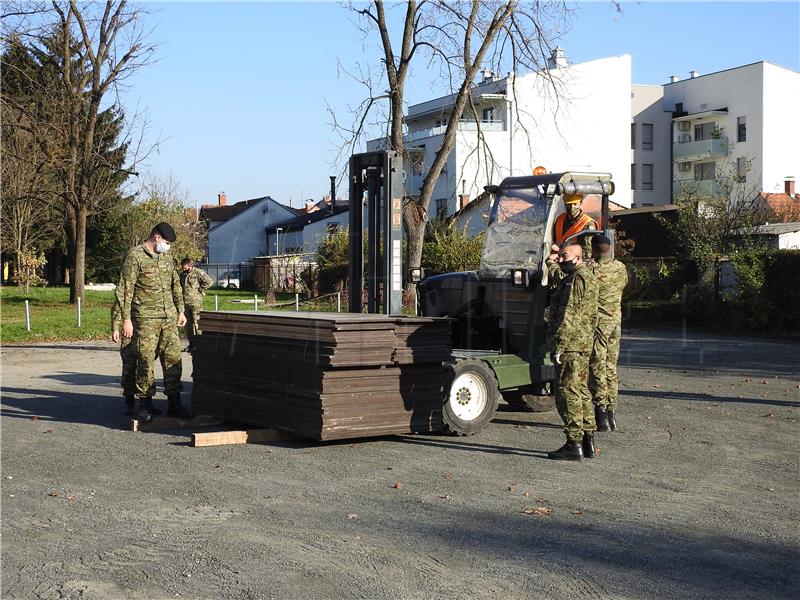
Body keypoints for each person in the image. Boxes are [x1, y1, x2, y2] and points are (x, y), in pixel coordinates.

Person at [118, 222, 190, 418]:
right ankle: (145, 404)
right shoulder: (136, 256)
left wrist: (181, 311)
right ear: (157, 238)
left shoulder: (166, 256)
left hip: (168, 317)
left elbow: (176, 284)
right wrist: (126, 320)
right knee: (146, 360)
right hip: (145, 318)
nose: (169, 247)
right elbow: (125, 290)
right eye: (167, 242)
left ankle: (174, 403)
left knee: (173, 358)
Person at [547, 242, 599, 461]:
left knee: (568, 392)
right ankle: (588, 441)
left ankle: (573, 443)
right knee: (582, 390)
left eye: (564, 255)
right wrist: (552, 264)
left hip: (571, 345)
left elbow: (569, 314)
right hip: (583, 343)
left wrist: (559, 344)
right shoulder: (584, 276)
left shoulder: (576, 280)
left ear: (578, 258)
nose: (561, 259)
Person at [589, 234, 629, 432]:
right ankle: (612, 413)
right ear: (610, 248)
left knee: (597, 367)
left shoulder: (593, 270)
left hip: (599, 326)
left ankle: (601, 414)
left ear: (594, 250)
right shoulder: (620, 268)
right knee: (611, 367)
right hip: (615, 324)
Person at [111, 284, 139, 416]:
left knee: (146, 368)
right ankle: (129, 403)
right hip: (129, 335)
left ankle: (147, 402)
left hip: (145, 333)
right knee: (129, 368)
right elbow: (117, 309)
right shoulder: (125, 290)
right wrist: (116, 328)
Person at [179, 258, 214, 352]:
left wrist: (201, 290)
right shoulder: (182, 274)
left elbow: (210, 281)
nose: (184, 270)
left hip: (196, 303)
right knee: (188, 325)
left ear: (190, 265)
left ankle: (200, 344)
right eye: (183, 268)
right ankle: (191, 344)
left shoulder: (198, 273)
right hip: (185, 303)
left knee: (197, 323)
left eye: (186, 268)